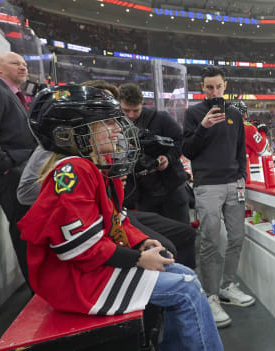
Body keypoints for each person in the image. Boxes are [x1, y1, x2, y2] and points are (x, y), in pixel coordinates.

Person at [17, 85, 223, 351]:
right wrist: (137, 259)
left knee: (185, 275)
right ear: (72, 134)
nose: (118, 129)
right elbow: (78, 247)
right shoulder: (73, 170)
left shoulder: (96, 167)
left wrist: (142, 242)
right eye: (106, 123)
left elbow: (119, 221)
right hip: (74, 282)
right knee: (185, 289)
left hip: (87, 270)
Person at [16, 80, 197, 269]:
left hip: (115, 215)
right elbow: (78, 244)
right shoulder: (70, 165)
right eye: (107, 119)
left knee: (175, 244)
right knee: (169, 259)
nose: (119, 126)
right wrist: (89, 190)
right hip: (97, 228)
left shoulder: (97, 151)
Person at [182, 66, 254, 328]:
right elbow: (187, 150)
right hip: (207, 186)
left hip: (234, 184)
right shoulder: (193, 114)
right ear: (202, 87)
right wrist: (202, 128)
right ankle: (210, 295)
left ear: (225, 86)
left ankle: (228, 286)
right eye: (209, 87)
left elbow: (240, 151)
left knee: (236, 237)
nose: (214, 91)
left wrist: (242, 178)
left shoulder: (235, 114)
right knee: (211, 240)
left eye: (218, 86)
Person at [0, 51, 36, 281]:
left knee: (31, 230)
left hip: (20, 171)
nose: (23, 67)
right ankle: (36, 289)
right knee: (25, 231)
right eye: (15, 63)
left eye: (24, 64)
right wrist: (2, 166)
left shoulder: (15, 95)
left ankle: (40, 286)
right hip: (8, 174)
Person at [119, 83, 192, 224]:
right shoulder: (115, 124)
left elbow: (180, 140)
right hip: (143, 193)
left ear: (142, 103)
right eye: (126, 111)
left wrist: (168, 158)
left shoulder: (160, 118)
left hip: (172, 187)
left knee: (182, 233)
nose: (131, 115)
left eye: (135, 110)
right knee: (151, 238)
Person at [232, 100, 267, 182]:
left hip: (229, 171)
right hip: (249, 171)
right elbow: (262, 149)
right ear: (244, 113)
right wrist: (262, 132)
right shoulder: (249, 128)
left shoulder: (225, 127)